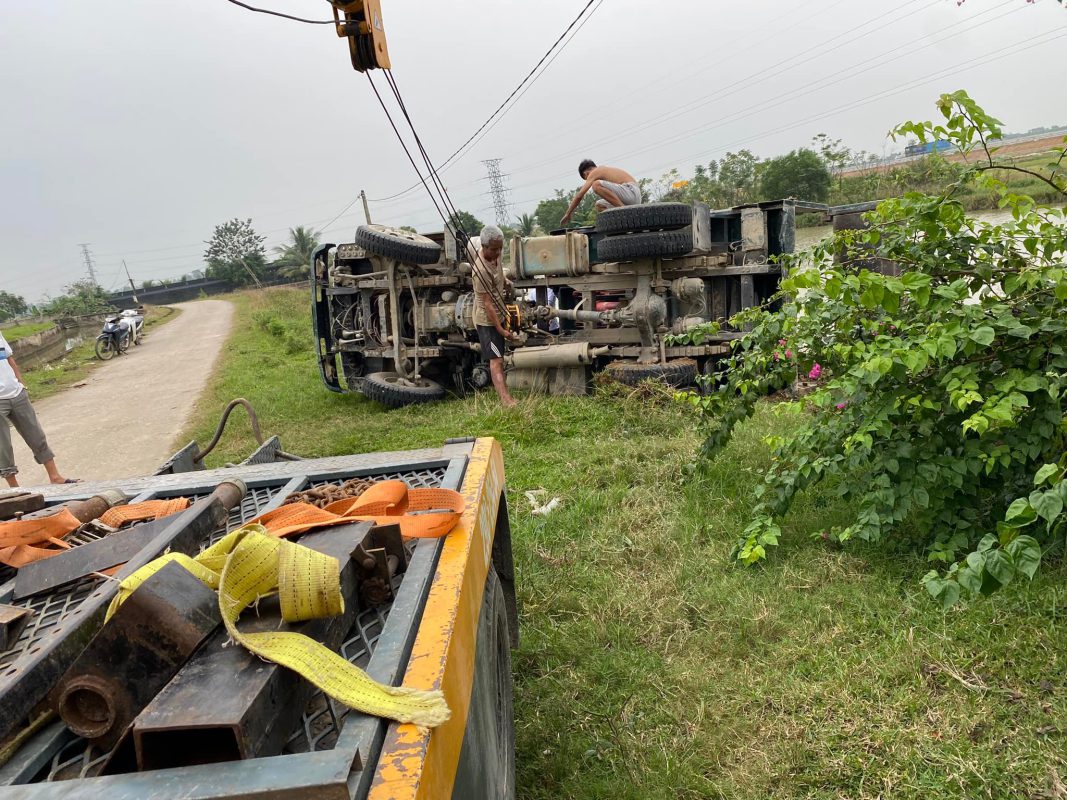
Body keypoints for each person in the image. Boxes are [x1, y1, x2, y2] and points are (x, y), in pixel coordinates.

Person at [0, 332, 74, 487]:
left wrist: (21, 383)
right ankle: (15, 489)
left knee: (36, 435)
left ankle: (55, 476)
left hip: (17, 393)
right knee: (3, 446)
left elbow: (9, 358)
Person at [470, 225, 523, 408]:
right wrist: (501, 330)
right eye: (494, 249)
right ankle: (506, 401)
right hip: (488, 322)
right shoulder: (480, 271)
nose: (498, 253)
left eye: (500, 248)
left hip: (499, 313)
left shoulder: (495, 254)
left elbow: (498, 275)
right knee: (496, 360)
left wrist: (505, 281)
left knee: (500, 356)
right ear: (484, 246)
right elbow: (487, 304)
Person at [560, 160, 641, 226]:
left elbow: (579, 196)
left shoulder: (596, 171)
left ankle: (623, 210)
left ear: (586, 173)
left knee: (596, 185)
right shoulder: (605, 172)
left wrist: (568, 213)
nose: (589, 180)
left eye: (586, 179)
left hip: (630, 191)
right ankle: (623, 224)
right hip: (632, 198)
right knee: (600, 205)